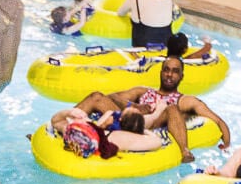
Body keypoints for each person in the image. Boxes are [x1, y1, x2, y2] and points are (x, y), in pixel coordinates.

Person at [74, 56, 231, 163]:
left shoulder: (184, 100)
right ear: (161, 72)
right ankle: (71, 125)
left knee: (171, 108)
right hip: (126, 120)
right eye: (166, 69)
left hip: (150, 127)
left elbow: (217, 120)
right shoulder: (143, 91)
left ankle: (185, 151)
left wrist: (226, 145)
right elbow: (113, 96)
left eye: (175, 71)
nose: (169, 74)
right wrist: (135, 106)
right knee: (96, 96)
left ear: (182, 76)